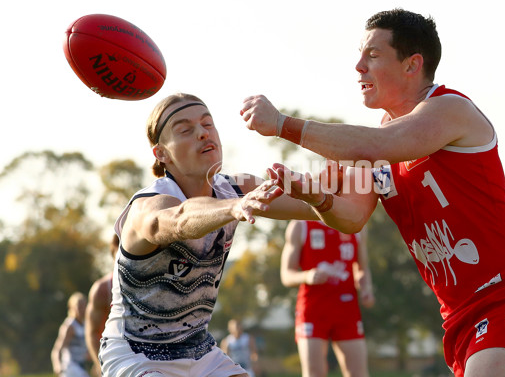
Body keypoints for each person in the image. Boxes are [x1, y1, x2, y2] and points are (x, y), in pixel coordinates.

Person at [240, 8, 505, 377]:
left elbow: (379, 143)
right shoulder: (379, 144)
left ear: (413, 65)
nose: (358, 66)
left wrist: (282, 124)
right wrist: (250, 196)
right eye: (360, 56)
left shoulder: (448, 109)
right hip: (459, 316)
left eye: (373, 55)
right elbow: (351, 215)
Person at [98, 93, 321, 377]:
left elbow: (320, 202)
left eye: (207, 124)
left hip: (200, 352)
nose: (203, 134)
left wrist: (374, 177)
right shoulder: (148, 204)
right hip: (137, 354)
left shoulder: (238, 187)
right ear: (161, 154)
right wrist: (234, 207)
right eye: (185, 130)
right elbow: (179, 219)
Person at [282, 220, 374, 377]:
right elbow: (286, 275)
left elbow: (362, 268)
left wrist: (366, 289)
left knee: (358, 373)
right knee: (314, 373)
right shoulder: (300, 225)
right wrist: (307, 275)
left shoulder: (356, 224)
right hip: (313, 310)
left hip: (347, 309)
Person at [85, 233, 120, 376]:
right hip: (113, 359)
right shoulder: (102, 289)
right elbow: (92, 332)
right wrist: (100, 364)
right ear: (113, 255)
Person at [52, 292, 90, 377]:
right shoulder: (70, 326)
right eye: (79, 306)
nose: (82, 309)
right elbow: (57, 349)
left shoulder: (86, 324)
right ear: (72, 308)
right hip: (70, 367)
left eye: (84, 306)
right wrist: (57, 365)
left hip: (80, 366)